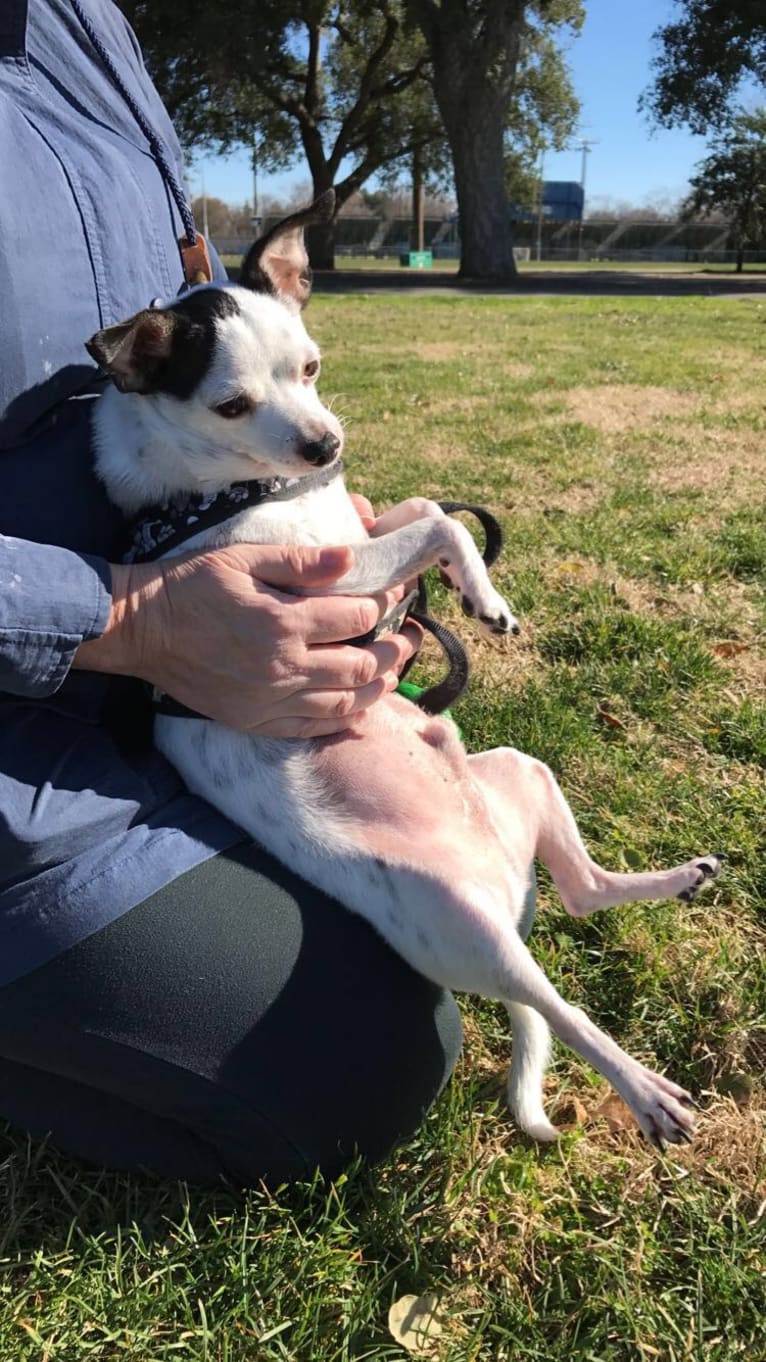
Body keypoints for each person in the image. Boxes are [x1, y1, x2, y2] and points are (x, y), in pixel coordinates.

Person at [0, 0, 465, 1185]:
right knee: (360, 1069)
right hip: (32, 759)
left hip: (132, 711)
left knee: (421, 931)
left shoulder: (77, 18)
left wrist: (259, 522)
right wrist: (123, 620)